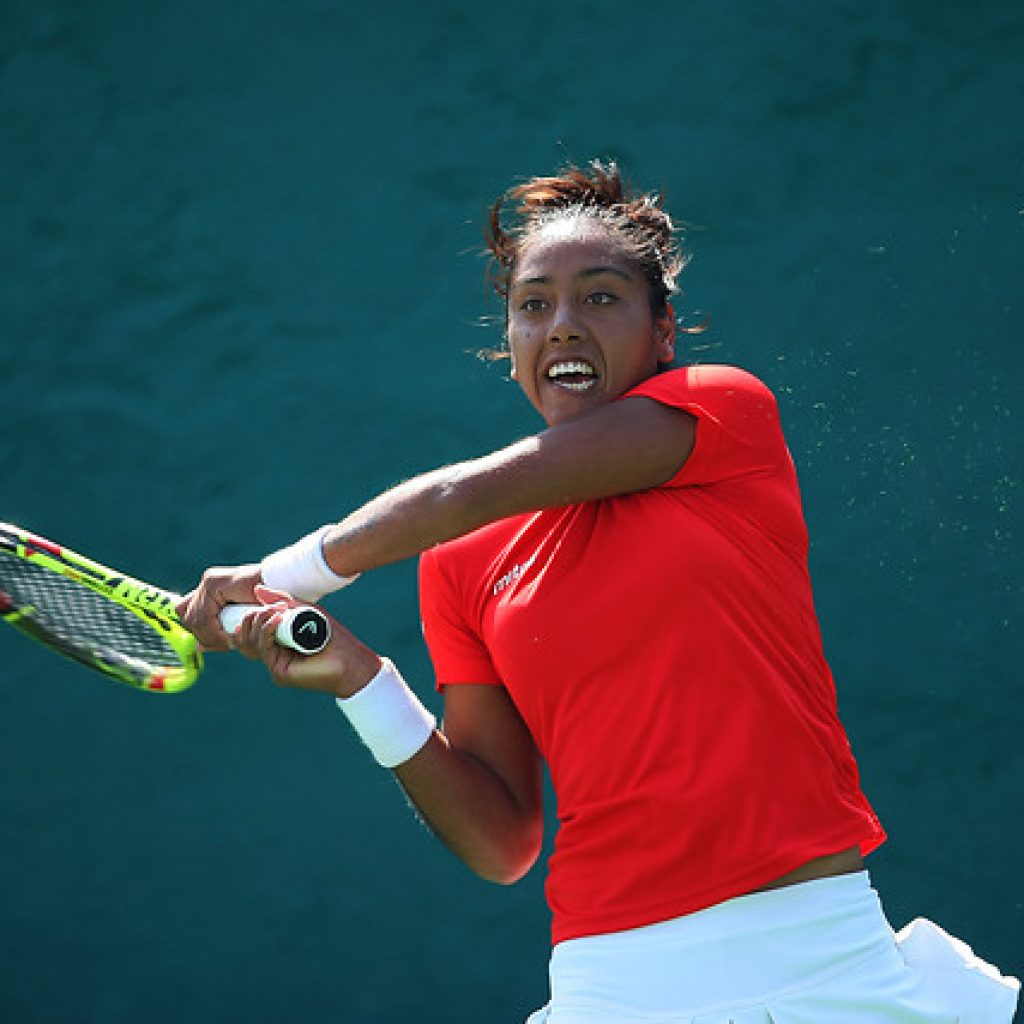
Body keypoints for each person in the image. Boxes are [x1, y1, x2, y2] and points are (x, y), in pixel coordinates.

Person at [177, 160, 1019, 1023]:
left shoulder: (724, 416)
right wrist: (362, 684)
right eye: (533, 305)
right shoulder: (459, 562)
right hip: (611, 985)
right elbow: (504, 842)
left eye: (602, 298)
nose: (564, 327)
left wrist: (283, 574)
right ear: (508, 343)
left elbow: (457, 494)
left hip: (825, 964)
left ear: (664, 333)